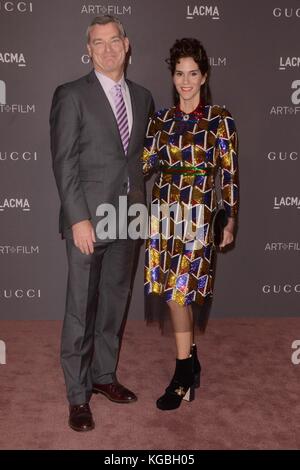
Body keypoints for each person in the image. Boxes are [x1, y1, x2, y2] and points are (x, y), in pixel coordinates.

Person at [50, 15, 154, 431]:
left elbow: (137, 159)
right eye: (99, 43)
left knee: (114, 303)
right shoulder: (71, 94)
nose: (108, 49)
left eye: (115, 41)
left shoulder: (144, 97)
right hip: (88, 220)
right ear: (88, 49)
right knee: (81, 308)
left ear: (127, 45)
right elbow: (64, 162)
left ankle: (103, 376)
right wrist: (78, 219)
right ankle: (78, 396)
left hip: (129, 216)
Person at [142, 38, 239, 411]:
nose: (185, 81)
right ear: (172, 76)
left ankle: (182, 374)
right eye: (179, 73)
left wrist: (230, 219)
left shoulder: (220, 120)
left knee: (179, 292)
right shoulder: (161, 120)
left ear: (204, 76)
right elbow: (145, 164)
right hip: (163, 216)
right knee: (170, 291)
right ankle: (192, 361)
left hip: (199, 217)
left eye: (192, 73)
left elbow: (229, 174)